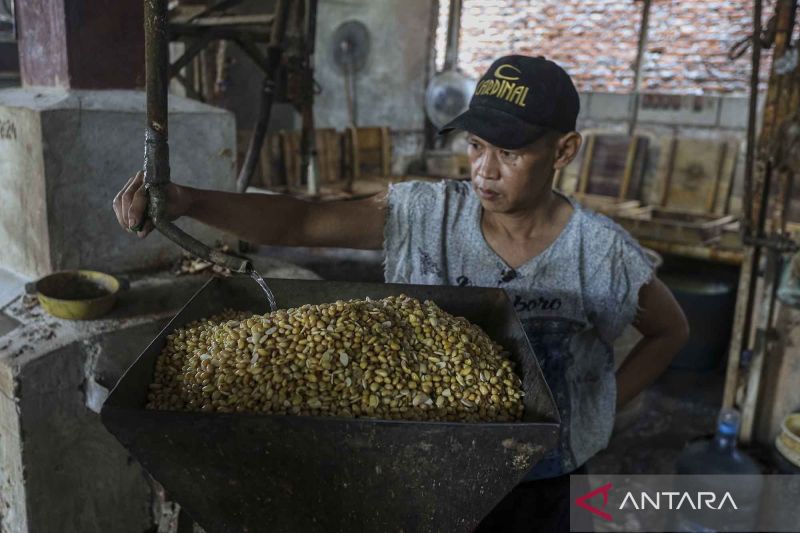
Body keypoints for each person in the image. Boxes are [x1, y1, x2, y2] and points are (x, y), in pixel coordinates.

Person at [113, 54, 689, 532]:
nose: (485, 171)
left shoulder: (601, 252)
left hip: (542, 476)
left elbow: (671, 330)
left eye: (510, 154)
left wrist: (598, 409)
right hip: (419, 468)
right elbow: (303, 224)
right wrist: (191, 200)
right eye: (476, 146)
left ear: (564, 151)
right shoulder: (426, 213)